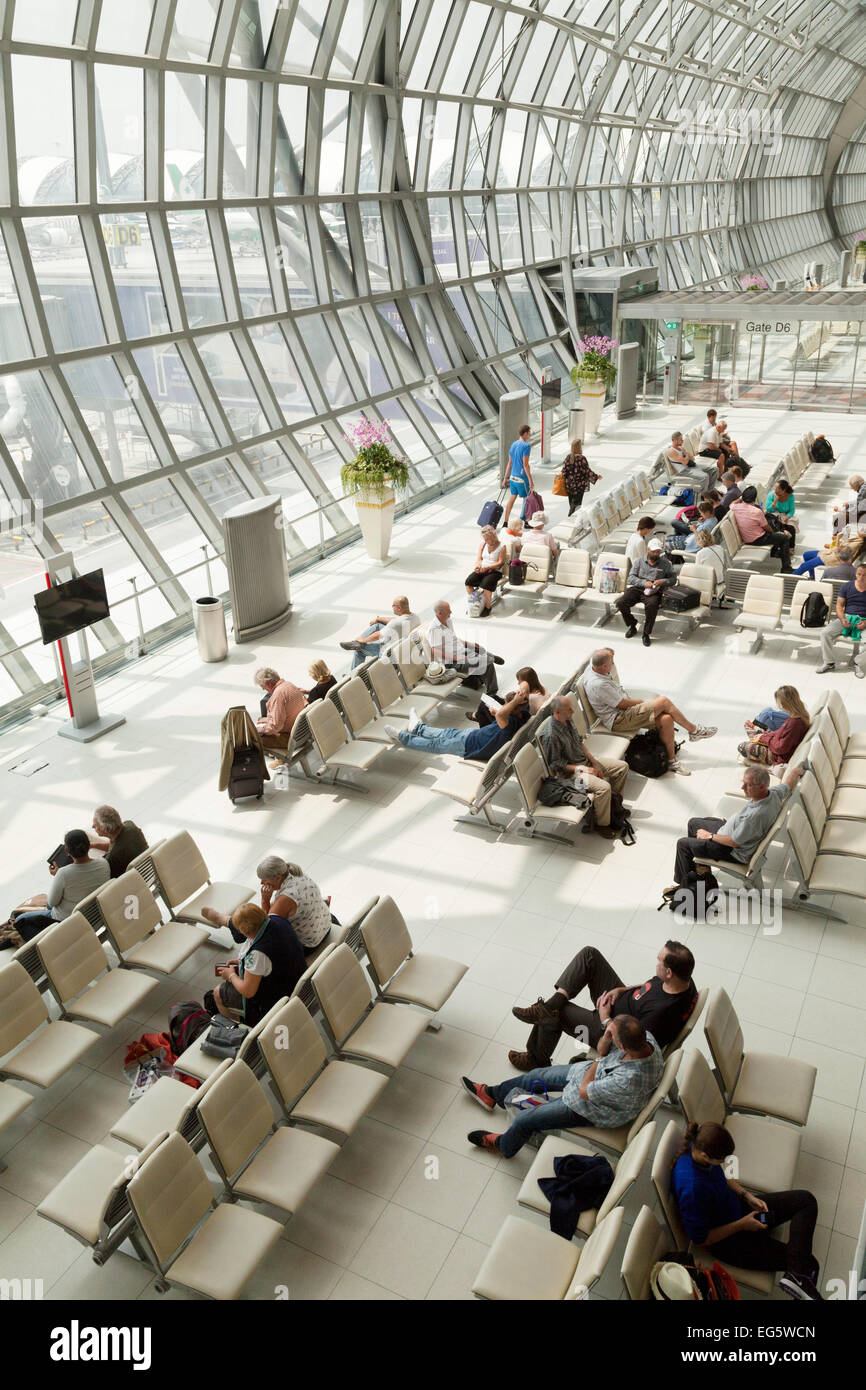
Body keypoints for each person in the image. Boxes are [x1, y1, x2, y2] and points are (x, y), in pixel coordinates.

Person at [462, 1015, 662, 1156]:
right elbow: (602, 1050)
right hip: (595, 1075)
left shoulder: (626, 1080)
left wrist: (599, 1061)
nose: (608, 1035)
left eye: (612, 1036)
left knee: (524, 1120)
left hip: (593, 1107)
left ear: (622, 1047)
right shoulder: (646, 1038)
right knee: (535, 1076)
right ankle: (492, 1094)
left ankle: (504, 1146)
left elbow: (584, 1092)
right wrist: (607, 1035)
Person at [671, 1121, 822, 1301]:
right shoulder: (693, 1190)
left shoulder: (697, 1151)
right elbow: (701, 1239)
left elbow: (721, 1176)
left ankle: (798, 1277)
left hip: (739, 1210)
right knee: (809, 1264)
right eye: (722, 1159)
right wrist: (742, 1225)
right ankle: (800, 1277)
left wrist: (746, 1195)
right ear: (705, 1155)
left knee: (806, 1201)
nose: (724, 1162)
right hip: (729, 1242)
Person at [508, 939, 697, 1070]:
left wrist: (606, 1019)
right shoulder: (684, 982)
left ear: (670, 972)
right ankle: (550, 1005)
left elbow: (631, 1047)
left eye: (659, 961)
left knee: (559, 1012)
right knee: (590, 955)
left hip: (610, 1029)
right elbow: (650, 985)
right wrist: (621, 991)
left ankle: (536, 1058)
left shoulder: (661, 1014)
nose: (656, 964)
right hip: (618, 1000)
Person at [663, 762, 805, 898]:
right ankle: (701, 872)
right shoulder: (773, 793)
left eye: (748, 785)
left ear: (762, 787)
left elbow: (734, 842)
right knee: (694, 823)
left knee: (683, 845)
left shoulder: (755, 816)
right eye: (743, 782)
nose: (742, 787)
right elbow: (788, 785)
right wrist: (796, 771)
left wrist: (710, 836)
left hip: (731, 850)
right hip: (729, 831)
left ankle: (684, 888)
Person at [582, 647, 716, 775]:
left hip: (624, 711)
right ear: (604, 666)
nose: (613, 664)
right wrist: (642, 703)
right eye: (611, 662)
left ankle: (671, 761)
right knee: (663, 701)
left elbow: (602, 654)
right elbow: (623, 704)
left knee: (667, 720)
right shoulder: (598, 684)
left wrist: (609, 652)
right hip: (619, 719)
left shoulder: (593, 666)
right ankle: (694, 730)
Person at [538, 694, 629, 840]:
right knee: (603, 788)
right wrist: (583, 769)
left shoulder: (567, 718)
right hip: (571, 776)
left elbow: (580, 742)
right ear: (557, 712)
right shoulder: (551, 736)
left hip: (584, 762)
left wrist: (593, 762)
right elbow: (555, 764)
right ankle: (602, 824)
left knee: (622, 767)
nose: (573, 711)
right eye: (569, 709)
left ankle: (614, 806)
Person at [203, 854, 334, 954]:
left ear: (277, 878)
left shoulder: (285, 899)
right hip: (325, 927)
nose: (261, 883)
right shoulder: (298, 874)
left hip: (308, 944)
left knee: (250, 924)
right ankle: (225, 920)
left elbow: (266, 927)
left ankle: (224, 920)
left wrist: (265, 900)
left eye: (264, 880)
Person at [1, 828, 111, 947]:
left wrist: (57, 875)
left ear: (67, 851)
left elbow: (52, 902)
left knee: (20, 920)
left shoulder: (63, 874)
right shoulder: (103, 864)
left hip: (67, 921)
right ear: (89, 845)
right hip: (95, 916)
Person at [210, 902, 306, 1027]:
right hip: (297, 980)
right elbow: (277, 953)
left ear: (244, 931)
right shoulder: (277, 919)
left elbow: (248, 991)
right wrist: (242, 962)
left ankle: (240, 1030)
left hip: (279, 999)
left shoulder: (258, 954)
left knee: (217, 993)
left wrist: (231, 975)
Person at [385, 684, 529, 761]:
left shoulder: (509, 723)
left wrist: (514, 701)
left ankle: (402, 737)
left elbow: (503, 715)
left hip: (469, 746)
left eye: (506, 704)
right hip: (473, 736)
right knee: (444, 733)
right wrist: (503, 709)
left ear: (511, 708)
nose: (503, 706)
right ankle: (418, 727)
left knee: (435, 744)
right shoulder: (524, 715)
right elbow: (504, 713)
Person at [426, 599, 504, 695]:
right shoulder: (434, 629)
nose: (451, 612)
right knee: (485, 660)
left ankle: (492, 692)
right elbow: (435, 650)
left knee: (484, 656)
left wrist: (469, 643)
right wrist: (456, 658)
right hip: (452, 662)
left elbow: (454, 639)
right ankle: (492, 658)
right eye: (448, 610)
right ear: (440, 613)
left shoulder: (448, 621)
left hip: (462, 652)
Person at [616, 537, 676, 646]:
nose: (655, 554)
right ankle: (632, 624)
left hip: (654, 591)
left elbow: (673, 580)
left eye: (658, 552)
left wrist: (662, 581)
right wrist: (644, 582)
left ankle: (646, 633)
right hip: (638, 588)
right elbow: (631, 577)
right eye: (653, 551)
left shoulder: (666, 564)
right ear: (648, 550)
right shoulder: (639, 561)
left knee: (652, 606)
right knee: (621, 603)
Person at [817, 562, 866, 678]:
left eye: (864, 575)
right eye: (859, 574)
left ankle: (857, 662)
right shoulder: (847, 586)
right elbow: (839, 606)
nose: (861, 577)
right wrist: (843, 619)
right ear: (856, 574)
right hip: (847, 617)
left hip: (864, 620)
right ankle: (829, 662)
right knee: (825, 633)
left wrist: (865, 622)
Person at [739, 686, 810, 766]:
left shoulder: (794, 724)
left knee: (742, 747)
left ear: (784, 704)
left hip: (776, 755)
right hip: (774, 741)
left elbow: (780, 748)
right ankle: (756, 739)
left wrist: (764, 738)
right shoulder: (799, 716)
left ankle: (755, 741)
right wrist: (764, 736)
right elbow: (780, 733)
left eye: (779, 703)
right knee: (749, 725)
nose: (779, 706)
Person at [340, 596, 419, 668]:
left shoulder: (396, 623)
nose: (392, 607)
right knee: (378, 625)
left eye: (393, 605)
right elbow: (394, 620)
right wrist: (379, 619)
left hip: (389, 653)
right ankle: (356, 643)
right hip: (403, 647)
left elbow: (378, 635)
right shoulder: (415, 617)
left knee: (359, 650)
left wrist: (363, 640)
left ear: (399, 608)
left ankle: (353, 674)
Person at [731, 487, 793, 571]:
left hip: (747, 538)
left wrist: (740, 498)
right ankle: (786, 568)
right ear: (754, 498)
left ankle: (776, 552)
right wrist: (774, 532)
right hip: (758, 539)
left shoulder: (736, 507)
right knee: (783, 538)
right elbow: (766, 527)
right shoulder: (756, 511)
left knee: (773, 527)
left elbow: (732, 503)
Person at [468, 666, 547, 726]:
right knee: (494, 697)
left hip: (514, 718)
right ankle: (478, 715)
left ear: (527, 683)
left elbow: (516, 710)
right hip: (520, 712)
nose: (518, 684)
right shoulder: (541, 689)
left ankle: (478, 717)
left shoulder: (530, 698)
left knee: (484, 706)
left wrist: (497, 712)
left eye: (520, 682)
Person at [255, 667, 307, 750]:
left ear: (268, 683)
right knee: (261, 719)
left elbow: (276, 727)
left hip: (289, 738)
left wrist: (261, 729)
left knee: (253, 738)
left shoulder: (278, 695)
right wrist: (267, 720)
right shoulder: (289, 685)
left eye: (262, 686)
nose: (263, 689)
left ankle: (277, 757)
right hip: (301, 732)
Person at [90, 806, 147, 879]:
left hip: (136, 880)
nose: (92, 826)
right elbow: (117, 845)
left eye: (95, 825)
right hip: (148, 869)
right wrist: (94, 845)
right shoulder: (130, 825)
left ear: (106, 829)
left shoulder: (112, 858)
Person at [464, 525, 506, 616]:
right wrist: (477, 566)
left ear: (493, 537)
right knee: (468, 582)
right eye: (485, 539)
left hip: (495, 571)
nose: (486, 541)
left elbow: (500, 562)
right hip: (482, 569)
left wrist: (488, 568)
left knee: (486, 584)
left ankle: (488, 607)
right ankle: (475, 603)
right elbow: (479, 559)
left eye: (487, 539)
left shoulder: (502, 546)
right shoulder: (482, 544)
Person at [502, 424, 533, 526]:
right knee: (527, 499)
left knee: (512, 499)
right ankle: (526, 521)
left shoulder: (513, 444)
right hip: (521, 479)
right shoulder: (526, 446)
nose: (530, 435)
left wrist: (505, 478)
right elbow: (525, 465)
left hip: (512, 478)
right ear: (525, 433)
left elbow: (509, 464)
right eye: (529, 433)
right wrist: (531, 481)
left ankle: (505, 522)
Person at [560, 438, 600, 515]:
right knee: (577, 504)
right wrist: (596, 476)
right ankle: (571, 517)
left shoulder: (568, 457)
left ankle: (573, 517)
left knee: (572, 503)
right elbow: (587, 471)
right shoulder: (582, 458)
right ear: (579, 447)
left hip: (569, 485)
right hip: (579, 486)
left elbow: (564, 471)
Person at [765, 478, 796, 544]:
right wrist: (776, 500)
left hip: (786, 515)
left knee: (791, 526)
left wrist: (785, 519)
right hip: (774, 515)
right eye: (775, 488)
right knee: (776, 524)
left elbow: (792, 511)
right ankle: (783, 537)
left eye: (777, 488)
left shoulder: (790, 496)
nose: (775, 490)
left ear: (783, 490)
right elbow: (768, 509)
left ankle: (791, 547)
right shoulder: (771, 495)